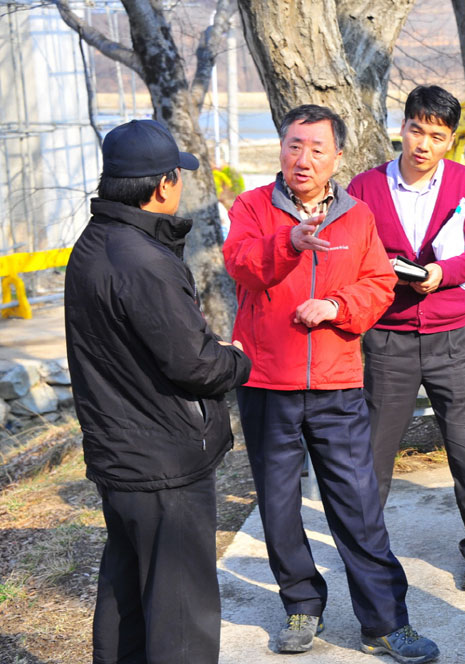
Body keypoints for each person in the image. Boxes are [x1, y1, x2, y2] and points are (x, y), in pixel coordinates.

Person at [223, 105, 439, 663]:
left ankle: (385, 622)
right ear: (281, 149)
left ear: (337, 156)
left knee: (358, 506)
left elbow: (380, 283)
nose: (303, 159)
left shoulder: (357, 216)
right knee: (278, 505)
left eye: (317, 149)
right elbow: (241, 265)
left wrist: (337, 307)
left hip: (337, 383)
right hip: (267, 382)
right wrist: (290, 242)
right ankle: (301, 603)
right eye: (294, 145)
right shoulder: (251, 207)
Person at [64, 119, 252, 663]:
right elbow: (195, 364)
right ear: (162, 185)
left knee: (126, 598)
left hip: (119, 455)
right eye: (178, 175)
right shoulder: (146, 262)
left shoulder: (93, 244)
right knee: (181, 615)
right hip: (164, 462)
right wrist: (236, 359)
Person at [347, 85, 465, 591]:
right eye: (417, 130)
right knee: (373, 453)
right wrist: (386, 271)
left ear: (450, 140)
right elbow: (350, 251)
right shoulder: (366, 186)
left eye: (437, 136)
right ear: (402, 127)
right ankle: (368, 555)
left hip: (451, 338)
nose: (423, 144)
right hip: (386, 338)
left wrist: (443, 272)